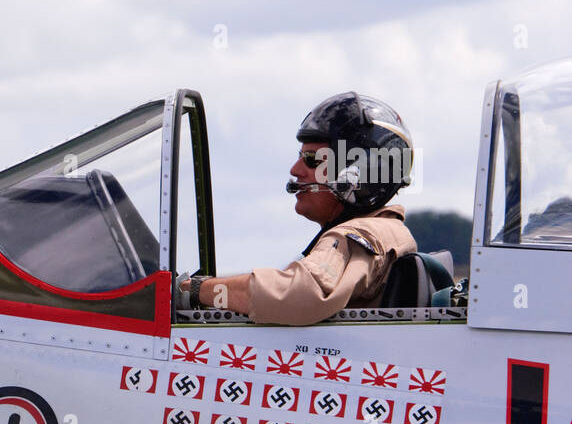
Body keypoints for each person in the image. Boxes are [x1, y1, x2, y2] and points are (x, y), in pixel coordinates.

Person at [176, 92, 417, 325]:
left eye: (312, 160)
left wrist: (195, 291)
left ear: (361, 172)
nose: (295, 169)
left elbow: (299, 294)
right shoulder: (387, 231)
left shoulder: (359, 235)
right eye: (300, 157)